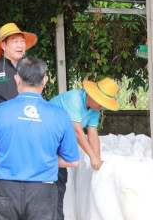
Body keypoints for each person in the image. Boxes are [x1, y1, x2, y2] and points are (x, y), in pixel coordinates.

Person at [0, 56, 80, 220]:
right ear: (45, 80)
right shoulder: (60, 115)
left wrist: (8, 157)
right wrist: (44, 160)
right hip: (43, 193)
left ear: (17, 79)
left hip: (5, 190)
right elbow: (73, 161)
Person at [50, 77, 120, 220]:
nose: (102, 107)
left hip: (60, 142)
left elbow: (92, 134)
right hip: (46, 139)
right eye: (101, 103)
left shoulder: (94, 108)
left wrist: (98, 160)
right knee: (50, 183)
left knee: (60, 182)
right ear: (93, 95)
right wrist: (92, 157)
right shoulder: (74, 99)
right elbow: (77, 132)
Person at [0, 22, 37, 111]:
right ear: (3, 45)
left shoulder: (31, 68)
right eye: (15, 41)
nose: (20, 45)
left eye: (22, 41)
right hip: (4, 122)